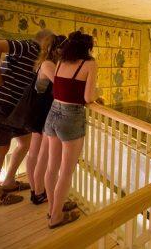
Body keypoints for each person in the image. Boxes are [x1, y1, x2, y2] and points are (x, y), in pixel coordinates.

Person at [0, 30, 52, 205]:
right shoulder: (29, 46)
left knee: (25, 142)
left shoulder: (41, 58)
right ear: (45, 41)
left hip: (15, 108)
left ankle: (9, 181)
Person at [44, 31, 98, 228]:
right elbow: (88, 98)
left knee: (52, 167)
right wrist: (96, 95)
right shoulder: (89, 64)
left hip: (53, 112)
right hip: (71, 115)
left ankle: (52, 209)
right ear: (87, 48)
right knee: (66, 172)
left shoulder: (60, 62)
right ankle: (57, 216)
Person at [26, 34, 66, 204]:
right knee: (39, 155)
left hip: (41, 110)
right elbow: (61, 86)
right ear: (57, 50)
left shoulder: (47, 63)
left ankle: (36, 190)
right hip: (42, 112)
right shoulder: (48, 64)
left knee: (36, 154)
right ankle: (38, 192)